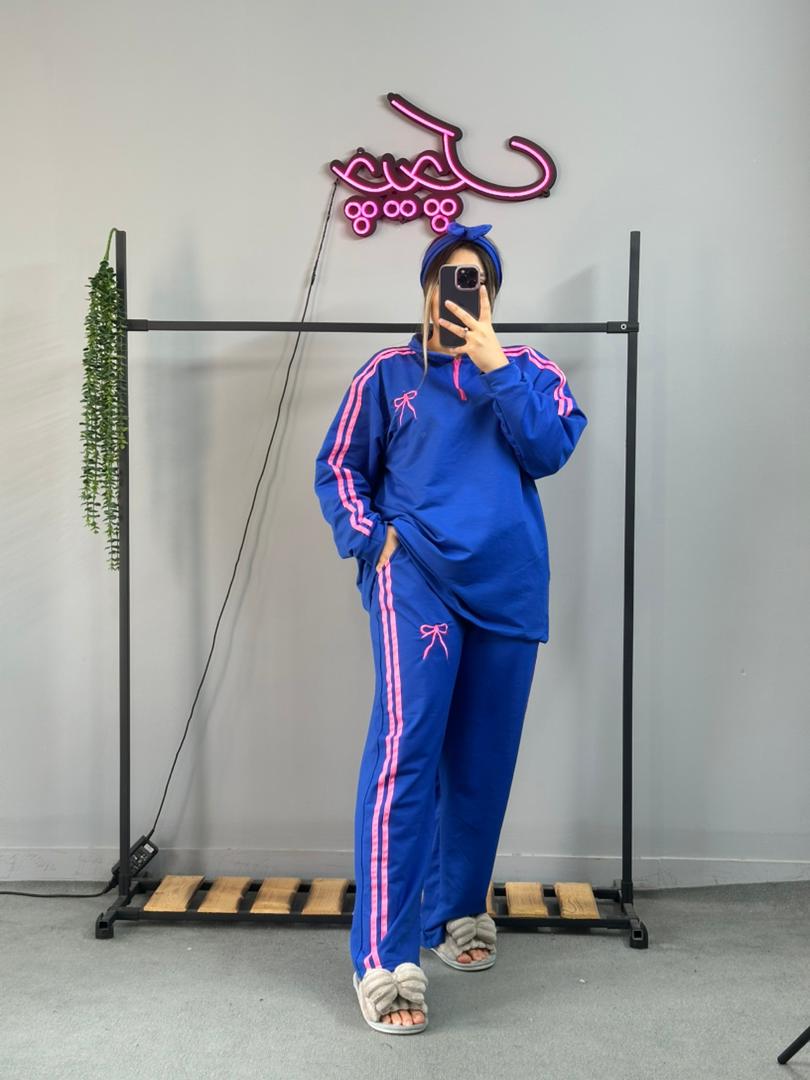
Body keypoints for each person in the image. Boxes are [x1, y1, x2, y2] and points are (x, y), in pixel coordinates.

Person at [313, 221, 588, 1033]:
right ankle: (383, 956)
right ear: (427, 289)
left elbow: (548, 450)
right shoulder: (387, 373)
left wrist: (495, 364)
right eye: (448, 277)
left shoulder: (530, 369)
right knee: (406, 754)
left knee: (481, 765)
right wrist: (372, 542)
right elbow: (339, 465)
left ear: (492, 295)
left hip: (508, 587)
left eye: (476, 279)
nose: (461, 290)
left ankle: (454, 913)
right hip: (418, 579)